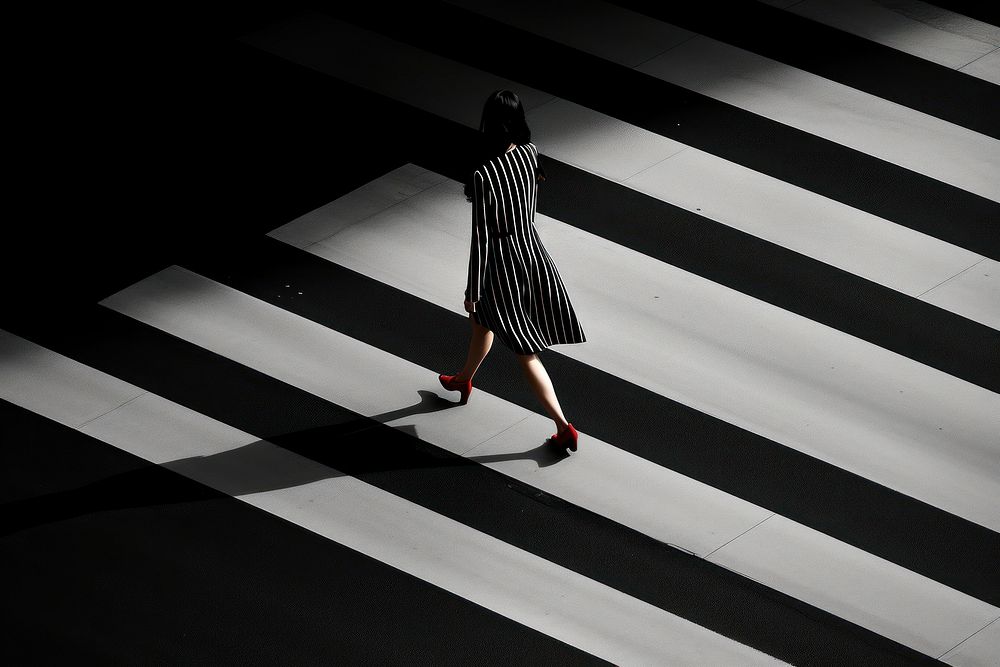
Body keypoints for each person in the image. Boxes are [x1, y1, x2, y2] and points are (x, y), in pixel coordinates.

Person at [438, 89, 587, 452]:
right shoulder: (530, 154)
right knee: (482, 323)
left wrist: (473, 289)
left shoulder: (483, 174)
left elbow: (482, 239)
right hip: (530, 250)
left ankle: (563, 425)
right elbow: (531, 208)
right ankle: (463, 379)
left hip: (502, 264)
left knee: (524, 351)